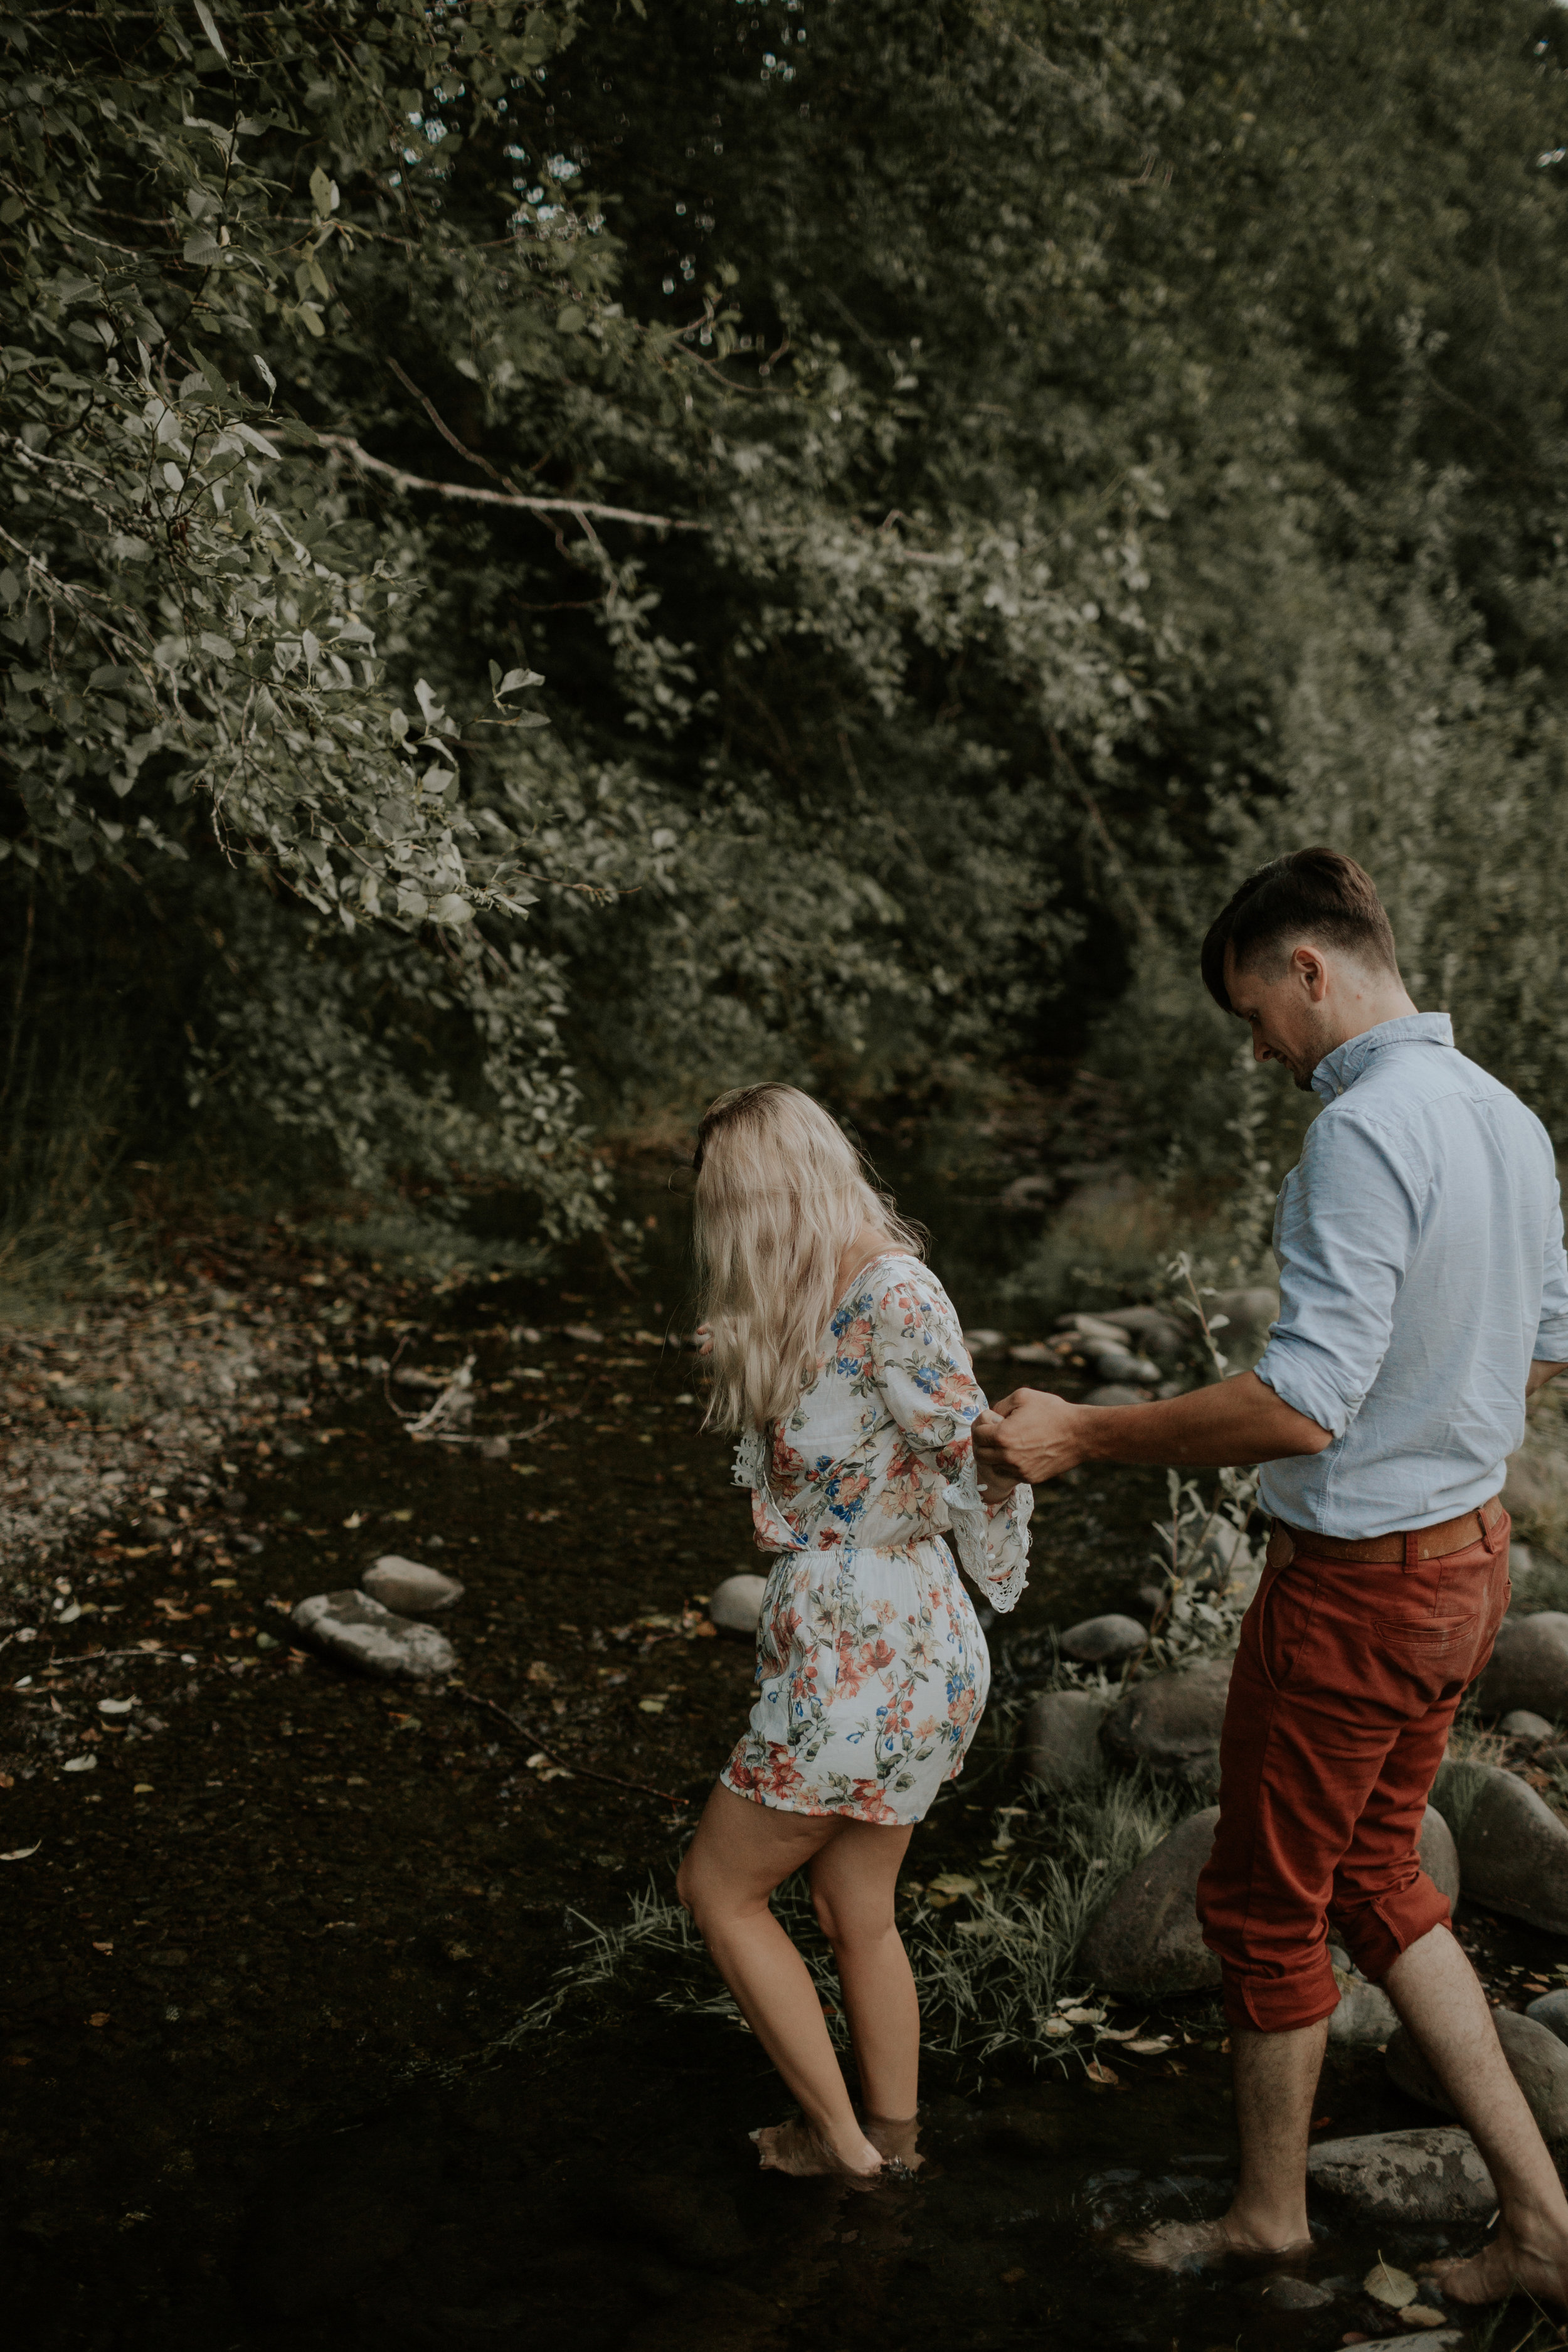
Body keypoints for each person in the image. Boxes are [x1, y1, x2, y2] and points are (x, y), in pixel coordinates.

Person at [974, 847, 1568, 2307]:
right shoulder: (1501, 1114)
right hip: (1466, 1565)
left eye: (1255, 1013)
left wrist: (1085, 1436)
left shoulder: (1364, 1132)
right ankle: (1544, 2227)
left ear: (1310, 968)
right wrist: (1434, 1412)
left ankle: (1267, 2222)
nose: (1256, 1051)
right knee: (1374, 1871)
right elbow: (1547, 1348)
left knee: (1259, 1905)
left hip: (1360, 1589)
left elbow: (1299, 1404)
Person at [675, 1082, 1030, 2182]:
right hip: (891, 1643)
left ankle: (836, 2147)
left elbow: (975, 1460)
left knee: (718, 1889)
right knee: (852, 1902)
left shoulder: (892, 1291)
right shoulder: (829, 1290)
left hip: (866, 1649)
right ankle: (896, 2140)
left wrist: (1031, 1445)